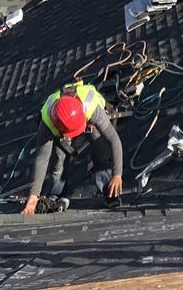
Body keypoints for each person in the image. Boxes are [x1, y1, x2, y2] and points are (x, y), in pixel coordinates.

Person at [21, 81, 124, 214]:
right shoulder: (47, 121)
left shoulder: (91, 107)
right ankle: (55, 196)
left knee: (101, 148)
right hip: (62, 127)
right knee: (59, 159)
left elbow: (114, 140)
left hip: (89, 120)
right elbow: (42, 158)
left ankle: (109, 190)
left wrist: (117, 175)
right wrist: (33, 196)